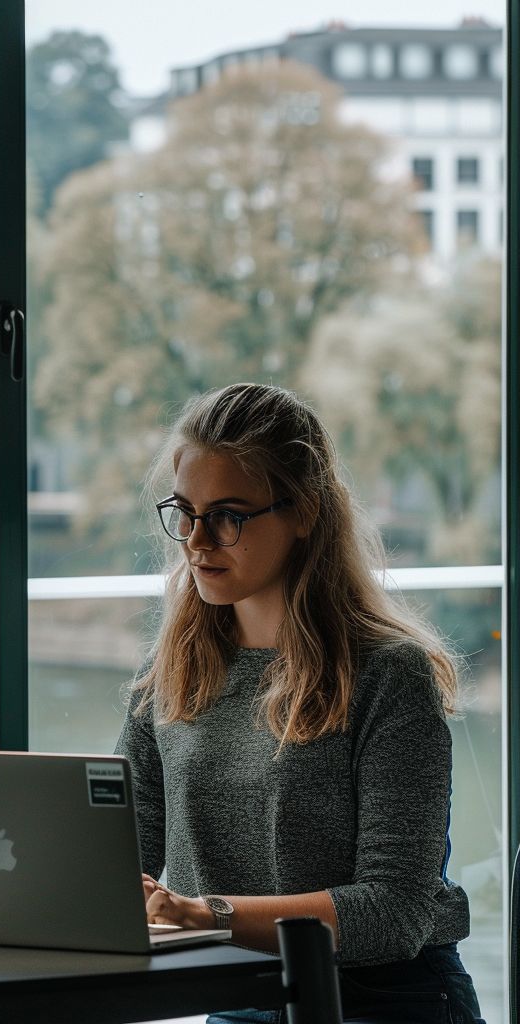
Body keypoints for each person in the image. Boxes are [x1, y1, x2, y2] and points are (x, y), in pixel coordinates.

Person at [115, 382, 485, 1024]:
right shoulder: (169, 674)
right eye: (185, 511)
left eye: (228, 515)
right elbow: (118, 865)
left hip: (387, 998)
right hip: (239, 996)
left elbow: (394, 911)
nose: (197, 541)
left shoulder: (389, 675)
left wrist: (205, 914)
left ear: (305, 511)